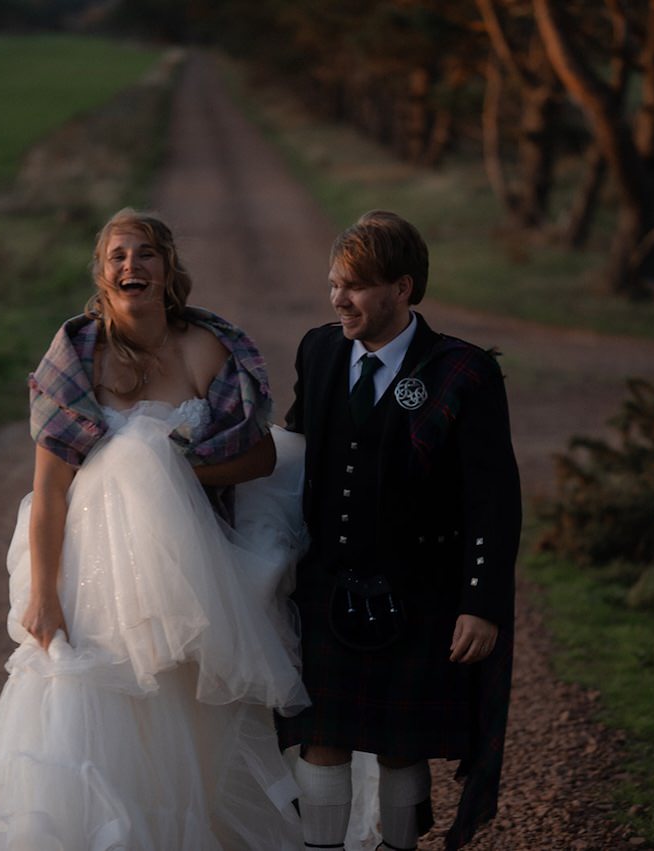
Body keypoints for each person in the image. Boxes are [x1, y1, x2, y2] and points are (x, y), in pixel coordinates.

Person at [0, 208, 311, 850]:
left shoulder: (205, 349)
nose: (133, 265)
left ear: (167, 269)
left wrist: (177, 473)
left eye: (146, 254)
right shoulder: (79, 358)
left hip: (184, 574)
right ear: (103, 275)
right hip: (94, 570)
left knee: (183, 721)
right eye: (118, 257)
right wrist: (44, 595)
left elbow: (261, 456)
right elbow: (49, 493)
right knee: (92, 709)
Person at [276, 211, 521, 851]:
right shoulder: (320, 349)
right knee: (320, 736)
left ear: (402, 289)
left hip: (421, 590)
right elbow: (293, 453)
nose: (338, 299)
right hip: (327, 582)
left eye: (354, 286)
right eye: (334, 284)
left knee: (399, 748)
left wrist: (480, 603)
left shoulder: (462, 373)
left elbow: (493, 500)